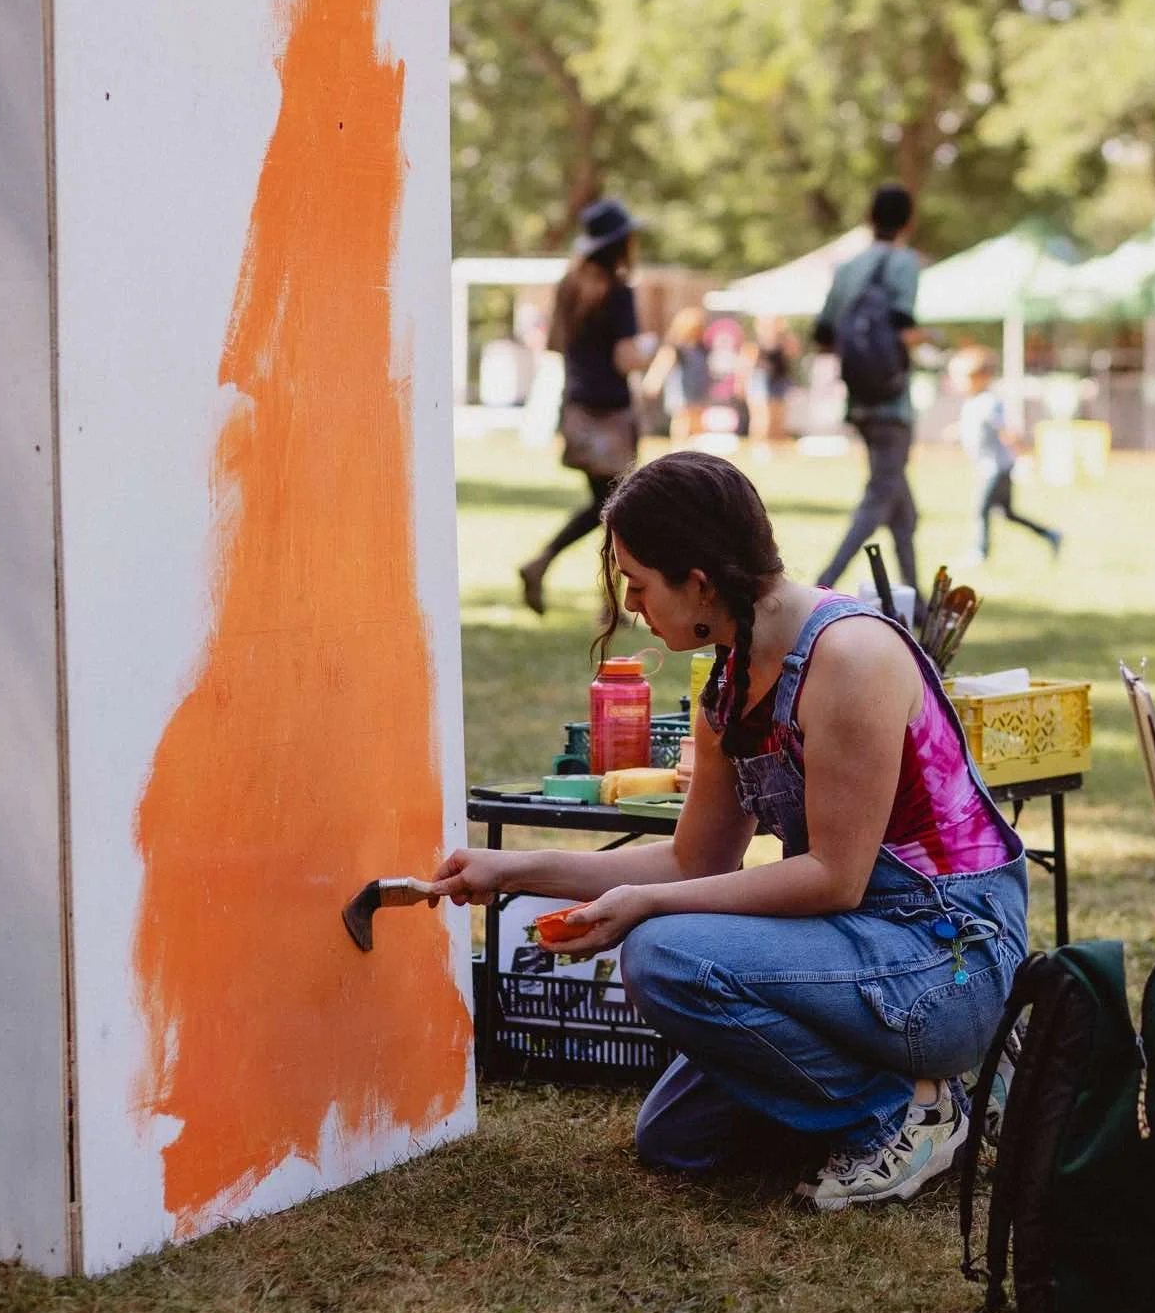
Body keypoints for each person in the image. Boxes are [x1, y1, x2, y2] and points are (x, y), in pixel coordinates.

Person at [437, 450, 1029, 1210]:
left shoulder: (848, 658)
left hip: (947, 956)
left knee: (662, 954)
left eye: (639, 584)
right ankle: (953, 1087)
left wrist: (647, 909)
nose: (632, 603)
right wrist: (511, 871)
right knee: (679, 1138)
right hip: (859, 949)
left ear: (699, 584)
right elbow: (694, 861)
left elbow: (835, 878)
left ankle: (902, 1118)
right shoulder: (732, 676)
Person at [517, 197, 653, 616]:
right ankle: (556, 570)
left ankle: (603, 599)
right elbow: (625, 358)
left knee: (608, 507)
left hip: (576, 407)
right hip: (610, 413)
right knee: (616, 509)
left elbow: (555, 344)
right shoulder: (618, 293)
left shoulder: (569, 289)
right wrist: (650, 352)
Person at [812, 182, 921, 605]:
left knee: (903, 511)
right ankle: (823, 583)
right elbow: (904, 327)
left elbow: (823, 334)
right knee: (877, 500)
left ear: (869, 217)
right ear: (908, 220)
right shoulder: (904, 264)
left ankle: (920, 602)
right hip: (893, 402)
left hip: (858, 400)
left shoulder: (848, 267)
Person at [953, 347, 1062, 563]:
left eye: (963, 377)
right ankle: (1050, 534)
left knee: (980, 509)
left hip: (995, 468)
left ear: (982, 377)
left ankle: (979, 552)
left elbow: (1006, 433)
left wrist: (1025, 455)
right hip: (987, 467)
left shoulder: (988, 402)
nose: (958, 383)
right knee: (1007, 513)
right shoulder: (973, 402)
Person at [643, 306, 712, 444]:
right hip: (681, 391)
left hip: (697, 390)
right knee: (682, 421)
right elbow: (662, 365)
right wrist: (654, 381)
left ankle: (693, 451)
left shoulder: (701, 349)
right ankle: (679, 447)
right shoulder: (675, 349)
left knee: (697, 421)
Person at [743, 314, 799, 446]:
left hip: (778, 381)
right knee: (762, 418)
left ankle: (775, 447)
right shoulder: (755, 342)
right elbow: (747, 363)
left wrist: (784, 334)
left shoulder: (782, 342)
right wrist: (743, 383)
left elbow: (794, 351)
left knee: (778, 418)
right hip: (760, 380)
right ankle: (759, 446)